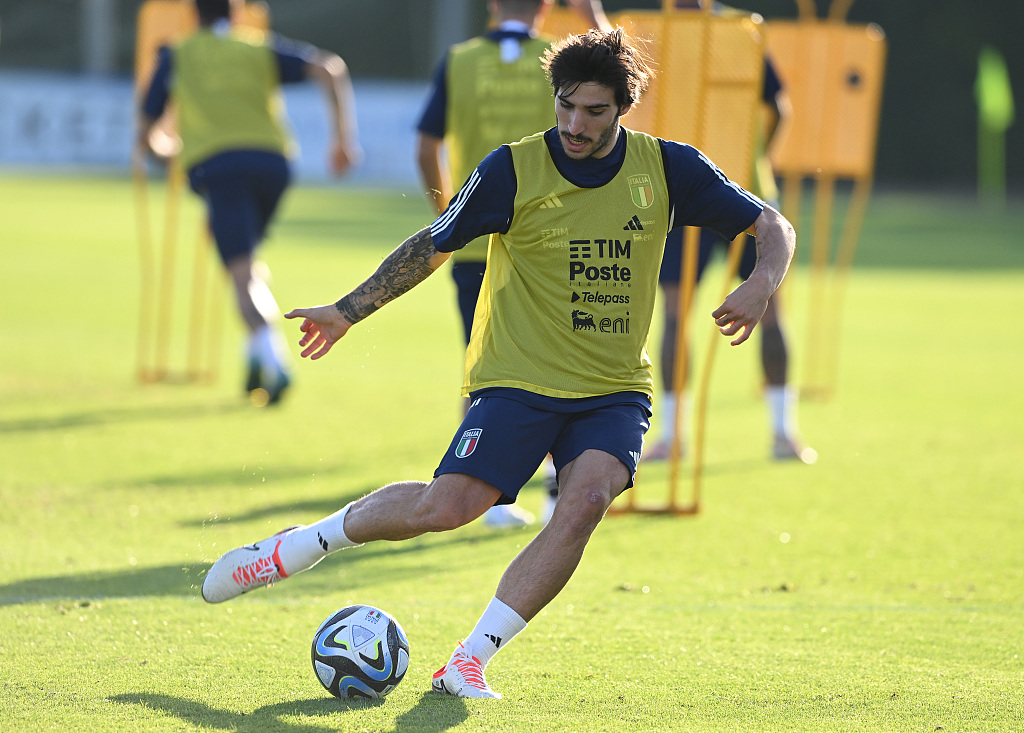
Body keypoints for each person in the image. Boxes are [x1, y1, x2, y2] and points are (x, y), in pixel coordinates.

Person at [202, 28, 796, 699]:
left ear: (624, 108)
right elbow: (432, 243)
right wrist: (348, 309)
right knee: (446, 507)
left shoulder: (667, 168)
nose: (575, 123)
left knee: (585, 502)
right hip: (518, 379)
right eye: (566, 106)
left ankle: (470, 658)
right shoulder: (513, 169)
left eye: (594, 111)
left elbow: (772, 224)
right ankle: (300, 545)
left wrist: (761, 280)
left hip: (613, 390)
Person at [416, 0, 611, 527]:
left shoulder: (458, 61)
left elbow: (426, 144)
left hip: (477, 242)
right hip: (554, 240)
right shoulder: (559, 62)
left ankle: (482, 492)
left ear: (493, 5)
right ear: (546, 8)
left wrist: (450, 220)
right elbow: (620, 84)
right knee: (566, 364)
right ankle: (558, 490)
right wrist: (593, 14)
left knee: (483, 367)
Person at [135, 0, 361, 405]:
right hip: (274, 165)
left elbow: (147, 129)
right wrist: (343, 140)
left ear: (194, 15)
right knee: (249, 262)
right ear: (235, 14)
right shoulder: (257, 46)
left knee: (240, 273)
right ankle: (253, 360)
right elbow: (330, 67)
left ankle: (274, 362)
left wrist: (165, 150)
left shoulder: (178, 53)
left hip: (218, 168)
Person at [644, 0, 816, 463]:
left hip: (721, 193)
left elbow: (778, 106)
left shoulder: (736, 31)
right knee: (678, 313)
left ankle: (779, 431)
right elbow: (778, 109)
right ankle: (680, 434)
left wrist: (757, 162)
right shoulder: (668, 32)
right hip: (699, 194)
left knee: (762, 306)